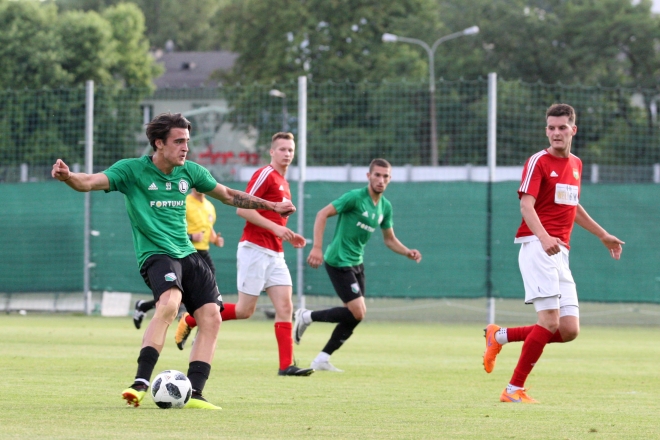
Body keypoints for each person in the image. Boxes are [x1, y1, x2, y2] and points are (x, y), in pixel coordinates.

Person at [51, 112, 295, 409]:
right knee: (169, 303)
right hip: (156, 254)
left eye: (187, 142)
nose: (185, 148)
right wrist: (68, 177)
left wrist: (273, 206)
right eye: (179, 141)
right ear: (159, 144)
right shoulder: (131, 171)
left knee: (212, 317)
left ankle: (195, 393)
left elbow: (229, 195)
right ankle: (140, 383)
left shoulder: (190, 171)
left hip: (187, 254)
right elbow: (88, 181)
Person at [482, 103, 624, 404]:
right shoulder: (539, 161)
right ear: (546, 130)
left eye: (562, 127)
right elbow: (526, 206)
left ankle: (500, 336)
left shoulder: (576, 164)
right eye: (551, 128)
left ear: (573, 129)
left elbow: (572, 208)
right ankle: (513, 390)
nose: (556, 133)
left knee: (569, 329)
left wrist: (603, 235)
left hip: (559, 251)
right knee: (548, 322)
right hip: (536, 246)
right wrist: (544, 237)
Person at [174, 132, 314, 377]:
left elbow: (274, 219)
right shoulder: (265, 175)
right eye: (282, 149)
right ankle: (190, 320)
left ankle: (286, 366)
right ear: (272, 152)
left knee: (285, 306)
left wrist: (286, 233)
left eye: (291, 150)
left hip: (275, 253)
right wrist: (277, 227)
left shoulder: (284, 182)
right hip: (255, 249)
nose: (287, 154)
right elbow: (242, 210)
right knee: (243, 310)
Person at [293, 158, 422, 372]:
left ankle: (322, 359)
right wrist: (316, 247)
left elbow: (389, 239)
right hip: (338, 261)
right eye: (377, 175)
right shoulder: (354, 197)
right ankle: (306, 316)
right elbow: (322, 214)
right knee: (358, 312)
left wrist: (407, 251)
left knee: (355, 315)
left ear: (390, 179)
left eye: (385, 176)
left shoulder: (385, 206)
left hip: (356, 263)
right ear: (368, 176)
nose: (381, 180)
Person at [133, 188, 224, 330]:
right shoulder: (184, 202)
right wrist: (191, 237)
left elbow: (208, 228)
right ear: (192, 185)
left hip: (203, 253)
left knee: (205, 294)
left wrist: (215, 240)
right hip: (185, 252)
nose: (201, 187)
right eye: (198, 183)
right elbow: (172, 226)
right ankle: (194, 325)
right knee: (179, 293)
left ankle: (144, 306)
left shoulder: (209, 206)